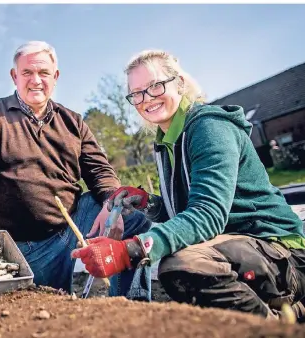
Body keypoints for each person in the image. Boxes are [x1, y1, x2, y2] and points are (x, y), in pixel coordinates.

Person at [71, 49, 305, 320]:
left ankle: (277, 325)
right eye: (137, 94)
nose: (147, 99)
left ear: (179, 83)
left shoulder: (209, 127)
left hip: (281, 251)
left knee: (184, 265)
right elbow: (187, 213)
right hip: (237, 246)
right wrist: (149, 203)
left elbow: (208, 216)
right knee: (184, 260)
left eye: (155, 85)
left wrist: (130, 250)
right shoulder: (167, 141)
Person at [0, 41, 150, 295]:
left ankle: (128, 307)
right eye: (27, 73)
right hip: (28, 247)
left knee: (133, 218)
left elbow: (99, 170)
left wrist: (113, 205)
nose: (36, 80)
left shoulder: (73, 122)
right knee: (47, 306)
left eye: (44, 73)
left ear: (55, 77)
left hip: (75, 221)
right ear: (14, 76)